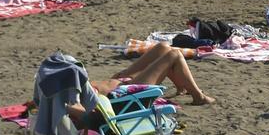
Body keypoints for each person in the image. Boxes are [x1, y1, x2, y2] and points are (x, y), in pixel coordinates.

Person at [71, 43, 214, 109]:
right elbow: (88, 111)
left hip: (119, 80)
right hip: (125, 94)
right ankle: (199, 97)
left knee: (162, 47)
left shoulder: (65, 88)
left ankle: (181, 88)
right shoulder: (68, 100)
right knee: (174, 55)